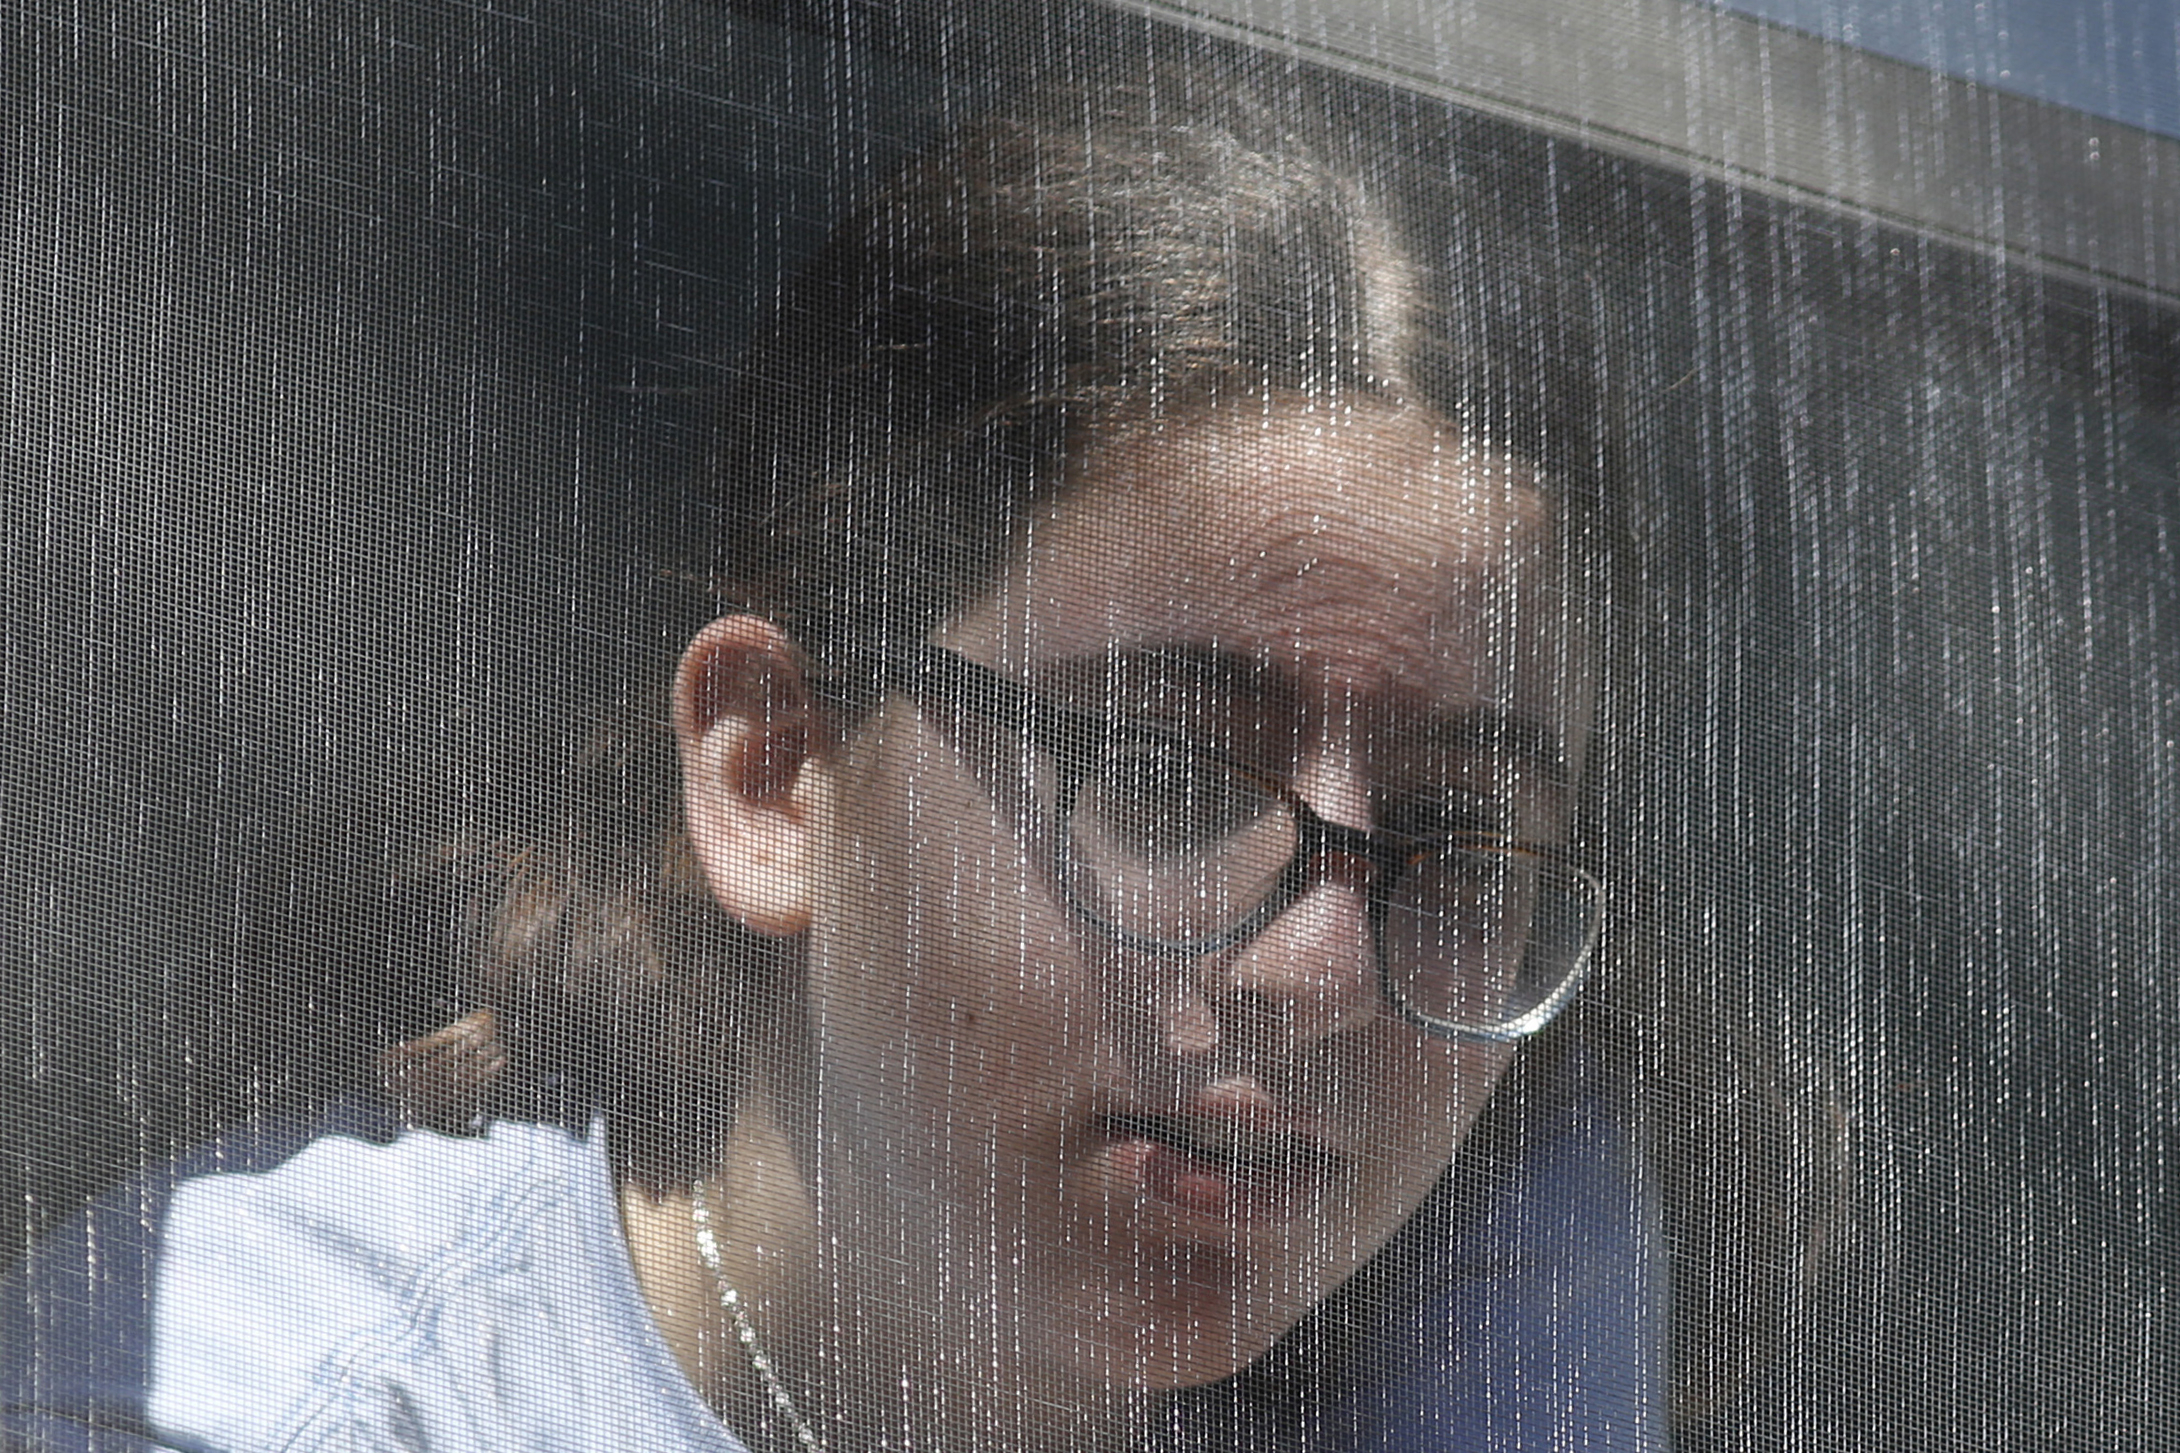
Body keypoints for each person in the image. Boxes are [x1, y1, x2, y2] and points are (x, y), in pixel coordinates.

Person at [4, 64, 1813, 1453]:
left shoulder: (1460, 1354)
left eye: (1453, 841)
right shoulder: (268, 1397)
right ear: (777, 777)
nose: (1332, 973)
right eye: (1168, 778)